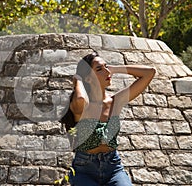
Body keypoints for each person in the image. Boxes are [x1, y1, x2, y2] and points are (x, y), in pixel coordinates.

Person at [61, 51, 156, 186]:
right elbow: (81, 98)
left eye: (107, 67)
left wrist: (115, 69)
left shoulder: (115, 102)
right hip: (84, 170)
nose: (107, 72)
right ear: (88, 78)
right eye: (100, 69)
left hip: (113, 167)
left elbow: (150, 73)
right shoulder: (82, 106)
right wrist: (78, 80)